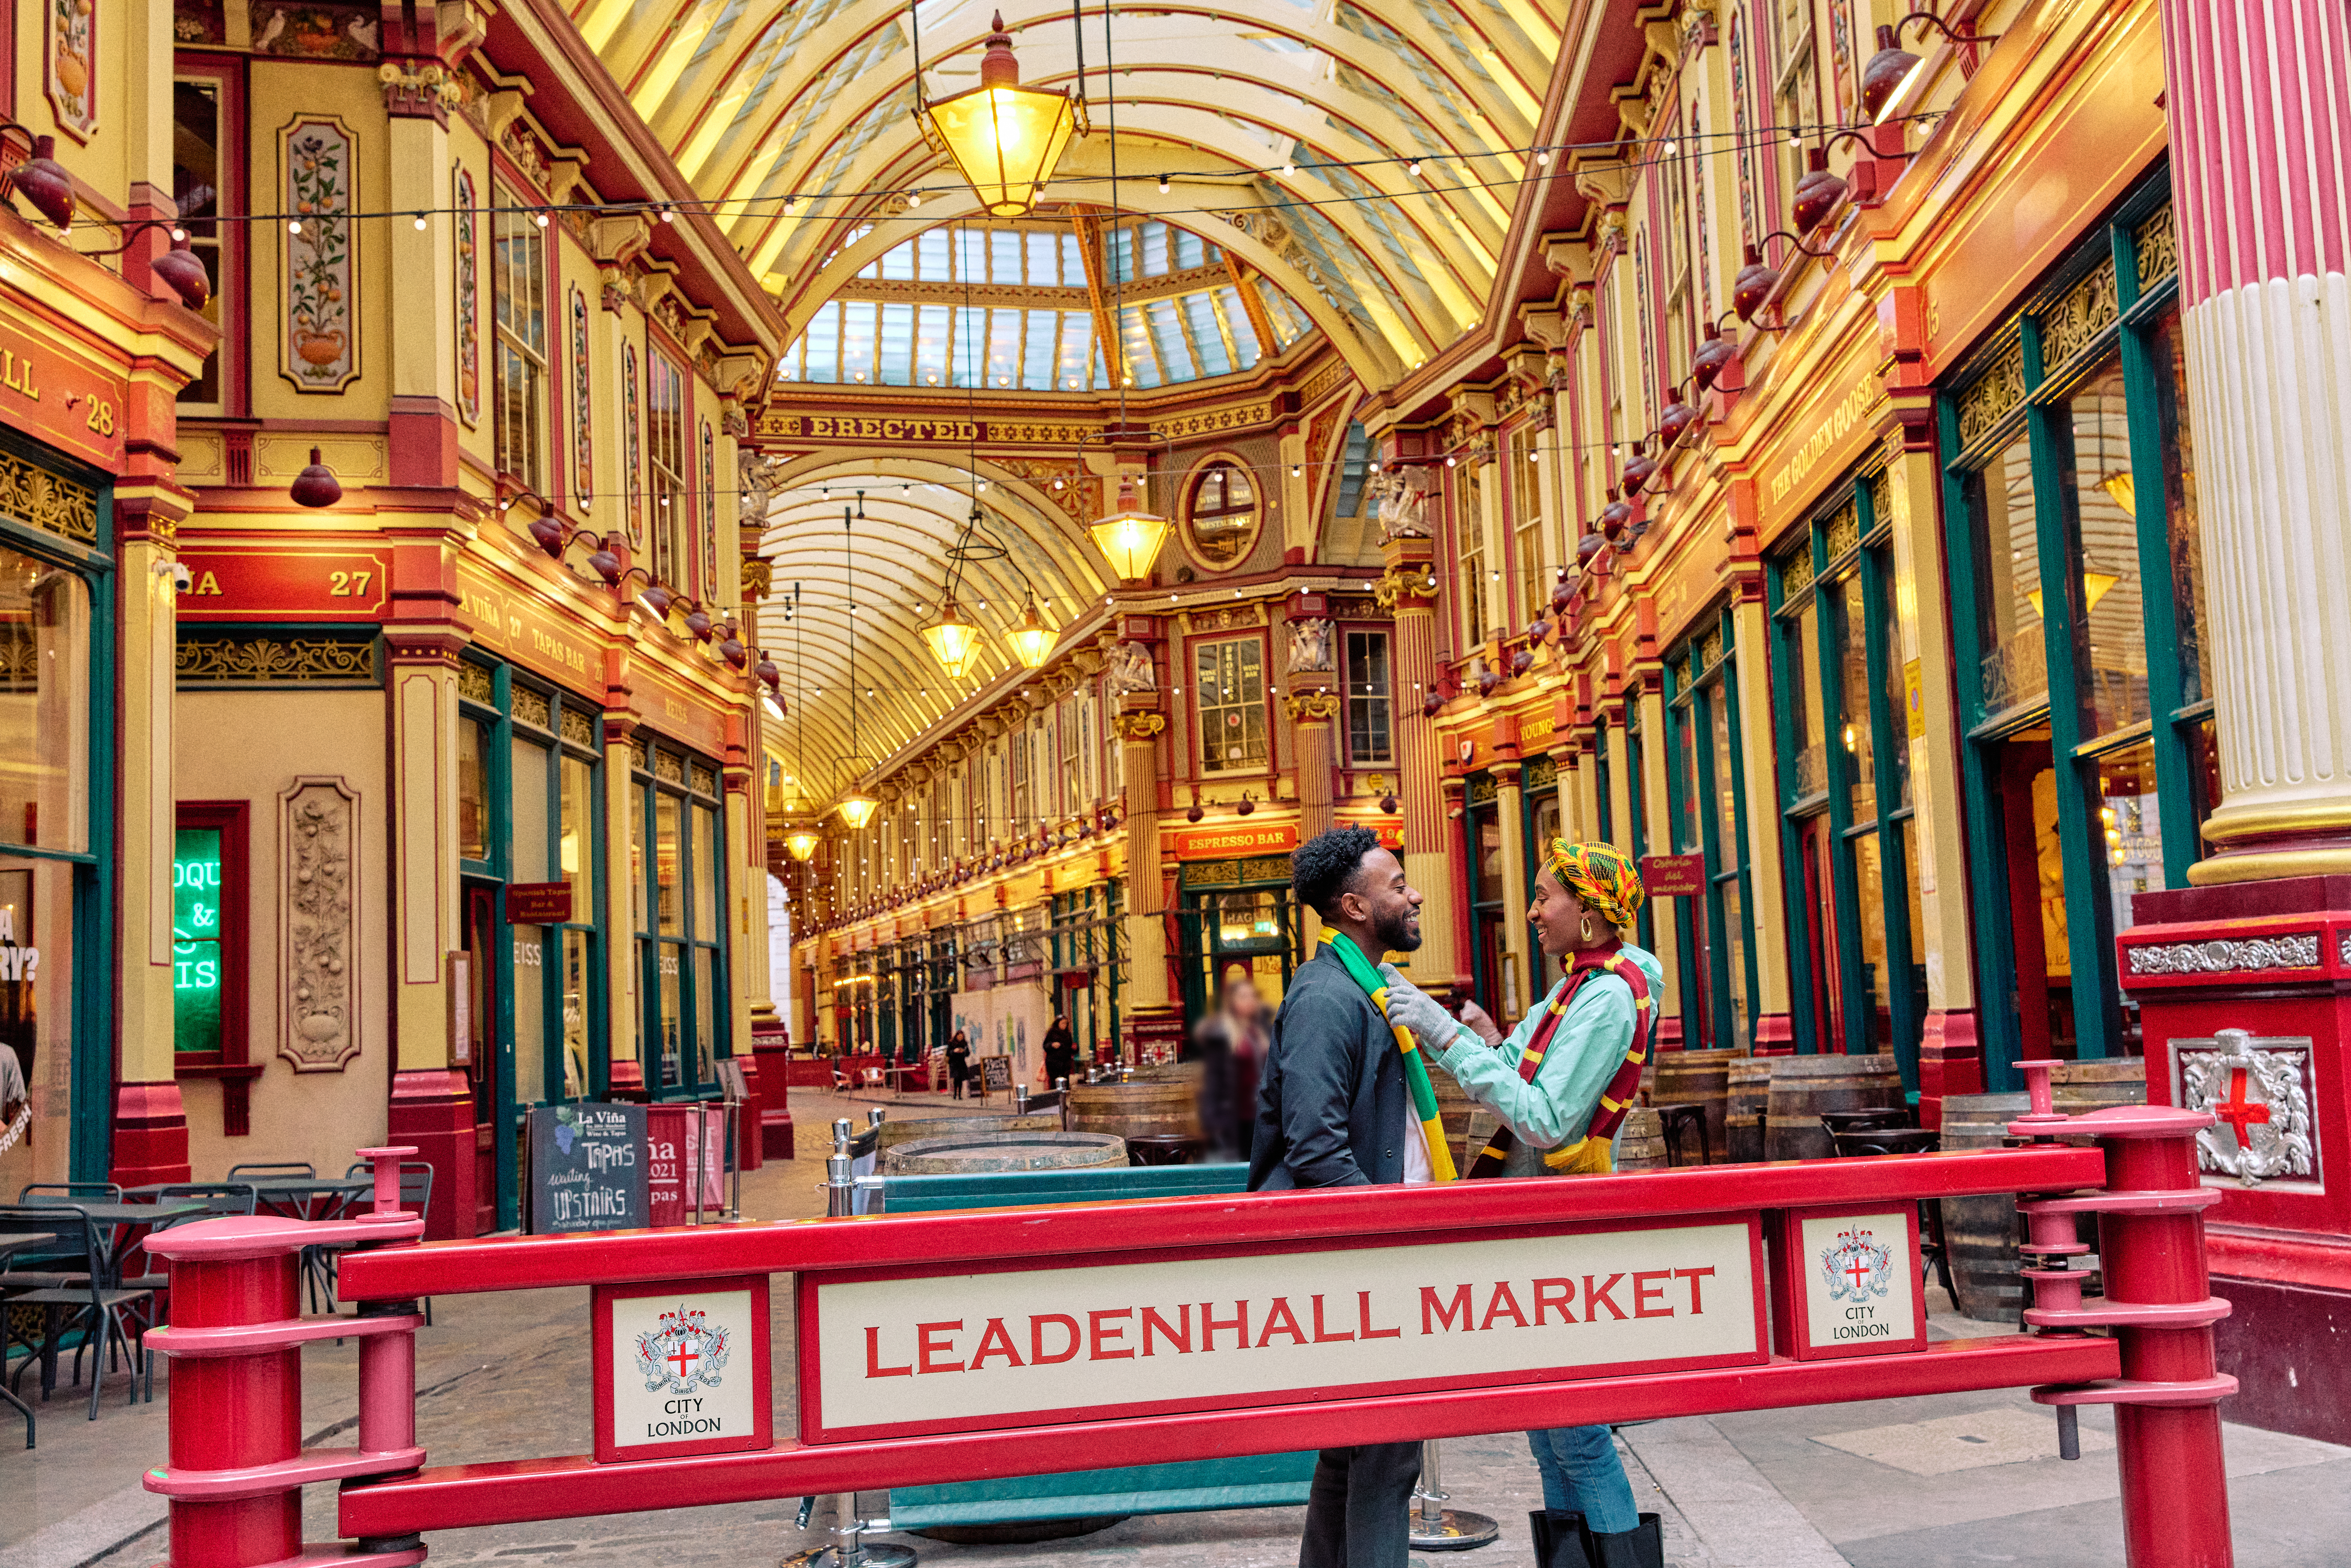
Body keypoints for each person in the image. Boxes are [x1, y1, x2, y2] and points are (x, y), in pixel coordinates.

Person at [1377, 841, 1666, 1568]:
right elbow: (1512, 1067)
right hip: (1540, 1227)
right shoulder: (1575, 985)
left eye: (1545, 896)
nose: (1533, 912)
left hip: (1566, 1230)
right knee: (1546, 1423)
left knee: (1575, 1431)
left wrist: (1440, 1030)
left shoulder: (1603, 996)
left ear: (1591, 911)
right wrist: (1475, 1036)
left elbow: (1542, 1119)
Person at [1251, 825, 1448, 1568]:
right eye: (1396, 884)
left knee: (1351, 1451)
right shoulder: (1330, 1000)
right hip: (1365, 1254)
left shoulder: (1363, 990)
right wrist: (1381, 1238)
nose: (1414, 892)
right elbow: (1313, 1145)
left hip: (1369, 1247)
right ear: (1354, 906)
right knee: (1386, 1456)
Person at [1041, 1014, 1078, 1090]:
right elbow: (1045, 1046)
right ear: (1058, 1024)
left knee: (1065, 1084)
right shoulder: (1052, 1032)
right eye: (1062, 1023)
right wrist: (1052, 1045)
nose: (1064, 1025)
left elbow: (1070, 1049)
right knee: (1055, 1084)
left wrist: (1075, 1049)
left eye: (1066, 1023)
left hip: (1065, 1064)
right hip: (1054, 1064)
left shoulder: (1068, 1034)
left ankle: (1064, 1099)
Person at [944, 1028, 972, 1101]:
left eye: (962, 1037)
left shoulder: (965, 1044)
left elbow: (968, 1053)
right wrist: (954, 1051)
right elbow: (948, 1053)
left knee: (961, 1079)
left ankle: (960, 1095)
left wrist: (963, 1051)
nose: (960, 1038)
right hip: (954, 1063)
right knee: (956, 1078)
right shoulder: (952, 1043)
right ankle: (955, 1094)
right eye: (959, 1037)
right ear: (956, 1036)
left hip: (961, 1063)